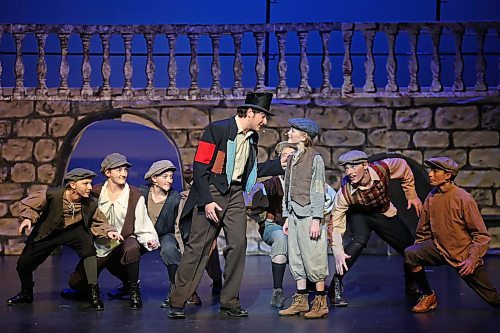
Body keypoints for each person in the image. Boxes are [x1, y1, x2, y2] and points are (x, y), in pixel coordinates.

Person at [168, 92, 285, 319]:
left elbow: (251, 171)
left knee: (238, 244)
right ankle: (178, 301)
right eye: (263, 116)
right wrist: (207, 201)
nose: (265, 122)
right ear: (250, 112)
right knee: (198, 246)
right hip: (211, 191)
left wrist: (278, 164)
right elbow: (200, 168)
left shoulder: (252, 138)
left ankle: (229, 301)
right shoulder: (218, 130)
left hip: (234, 195)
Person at [6, 168, 122, 311]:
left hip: (75, 230)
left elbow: (98, 221)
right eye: (85, 183)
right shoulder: (52, 194)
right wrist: (27, 218)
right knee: (23, 264)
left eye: (90, 183)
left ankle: (93, 293)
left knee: (89, 252)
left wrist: (109, 231)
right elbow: (29, 204)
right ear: (73, 185)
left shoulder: (90, 201)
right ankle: (26, 292)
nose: (90, 187)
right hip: (50, 230)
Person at [61, 153, 160, 310]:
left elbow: (142, 221)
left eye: (125, 170)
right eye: (118, 170)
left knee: (132, 248)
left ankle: (134, 291)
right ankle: (87, 289)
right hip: (101, 241)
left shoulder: (134, 194)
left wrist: (149, 239)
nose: (123, 174)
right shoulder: (94, 192)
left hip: (125, 239)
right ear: (107, 173)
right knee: (75, 282)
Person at [245, 141, 336, 309]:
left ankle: (311, 285)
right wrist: (262, 215)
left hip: (298, 224)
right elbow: (248, 199)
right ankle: (278, 290)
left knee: (307, 243)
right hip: (274, 226)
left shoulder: (304, 180)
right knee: (281, 240)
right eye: (285, 155)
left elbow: (329, 197)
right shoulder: (272, 183)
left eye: (292, 155)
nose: (289, 158)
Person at [405, 157, 500, 312]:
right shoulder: (431, 197)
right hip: (439, 249)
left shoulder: (463, 198)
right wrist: (420, 247)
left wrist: (472, 259)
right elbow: (423, 229)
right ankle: (428, 295)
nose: (430, 174)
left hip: (462, 256)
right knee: (411, 254)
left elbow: (481, 235)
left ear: (448, 175)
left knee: (493, 298)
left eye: (435, 171)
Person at [329, 150, 422, 307]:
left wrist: (411, 194)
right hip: (358, 214)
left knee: (408, 246)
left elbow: (403, 166)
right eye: (346, 168)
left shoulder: (383, 168)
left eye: (353, 167)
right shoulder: (344, 193)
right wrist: (337, 251)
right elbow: (335, 224)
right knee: (357, 242)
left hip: (382, 211)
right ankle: (336, 283)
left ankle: (411, 282)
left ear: (365, 165)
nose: (349, 172)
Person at [142, 160, 221, 308]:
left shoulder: (176, 198)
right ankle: (128, 285)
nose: (170, 180)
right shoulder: (142, 194)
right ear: (154, 178)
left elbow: (178, 228)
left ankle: (179, 289)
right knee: (128, 250)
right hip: (143, 234)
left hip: (169, 233)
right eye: (165, 177)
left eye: (171, 177)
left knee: (175, 249)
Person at [277, 118, 328, 319]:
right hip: (294, 213)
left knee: (314, 256)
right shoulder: (292, 158)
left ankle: (320, 302)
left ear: (304, 136)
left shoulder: (315, 158)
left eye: (292, 130)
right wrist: (287, 215)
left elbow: (317, 189)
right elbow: (287, 188)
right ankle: (301, 300)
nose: (289, 133)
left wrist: (317, 218)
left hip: (309, 214)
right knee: (296, 257)